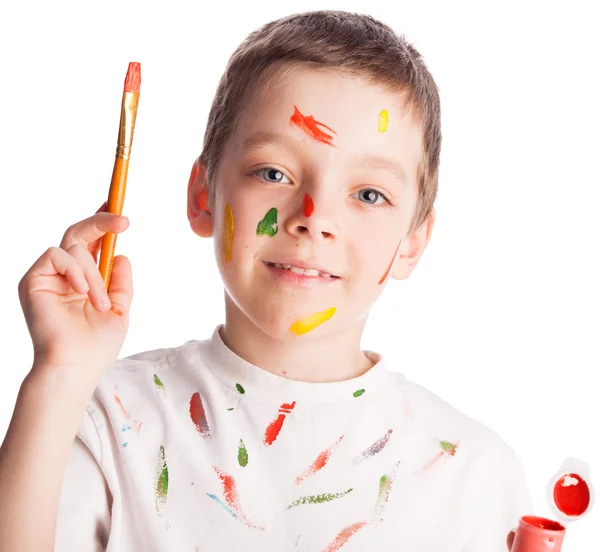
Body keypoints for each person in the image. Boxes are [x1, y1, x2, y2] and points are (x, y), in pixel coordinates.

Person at [0, 10, 529, 551]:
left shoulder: (473, 475)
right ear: (203, 196)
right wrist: (59, 374)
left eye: (369, 194)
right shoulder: (101, 420)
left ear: (413, 241)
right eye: (273, 173)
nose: (313, 216)